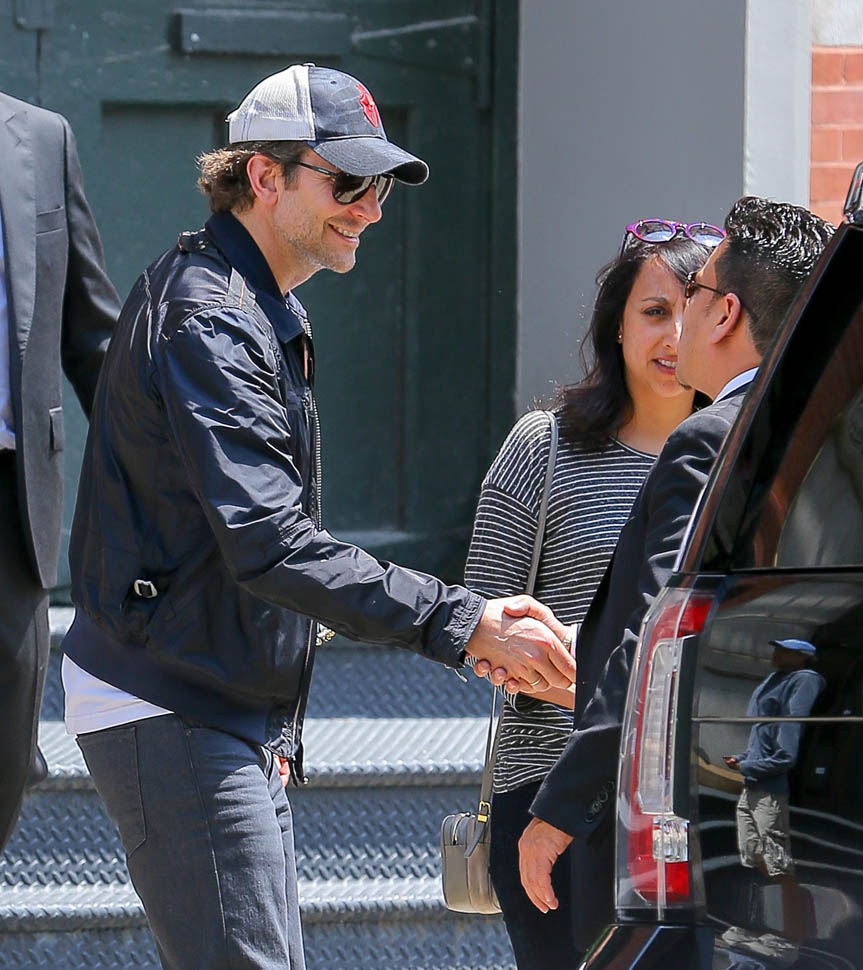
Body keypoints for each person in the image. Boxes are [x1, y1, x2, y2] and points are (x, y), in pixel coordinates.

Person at [61, 64, 575, 970]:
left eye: (379, 187)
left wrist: (280, 718)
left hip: (218, 700)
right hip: (171, 698)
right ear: (264, 176)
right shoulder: (211, 319)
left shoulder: (253, 302)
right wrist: (463, 622)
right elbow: (270, 545)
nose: (369, 209)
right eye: (347, 183)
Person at [515, 197, 835, 956]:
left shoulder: (711, 439)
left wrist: (561, 807)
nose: (678, 316)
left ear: (724, 314)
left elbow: (658, 639)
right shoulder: (820, 431)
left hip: (673, 826)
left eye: (690, 294)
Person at [463, 221, 718, 969]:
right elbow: (478, 626)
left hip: (697, 802)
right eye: (653, 311)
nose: (673, 336)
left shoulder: (740, 459)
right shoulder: (543, 447)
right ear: (616, 325)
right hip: (548, 791)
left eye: (692, 312)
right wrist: (614, 690)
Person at [0, 90, 119, 851]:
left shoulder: (42, 139)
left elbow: (92, 334)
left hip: (11, 505)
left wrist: (175, 468)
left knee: (8, 751)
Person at [723, 638, 824, 945]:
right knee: (754, 854)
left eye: (784, 650)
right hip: (753, 783)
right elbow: (762, 739)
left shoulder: (803, 681)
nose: (775, 653)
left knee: (778, 862)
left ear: (800, 656)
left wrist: (748, 765)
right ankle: (771, 923)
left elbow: (785, 754)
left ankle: (792, 932)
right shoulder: (774, 680)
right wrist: (742, 759)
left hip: (769, 788)